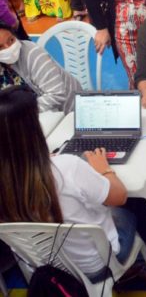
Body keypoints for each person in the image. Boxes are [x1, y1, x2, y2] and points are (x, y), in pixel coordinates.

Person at [0, 85, 136, 280]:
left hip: (44, 268)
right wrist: (104, 169)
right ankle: (134, 271)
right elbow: (119, 196)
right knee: (128, 212)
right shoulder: (66, 167)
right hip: (97, 266)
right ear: (33, 129)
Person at [0, 22, 81, 112]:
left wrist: (21, 112)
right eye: (0, 47)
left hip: (68, 110)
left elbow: (57, 94)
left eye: (11, 40)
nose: (9, 48)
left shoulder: (32, 54)